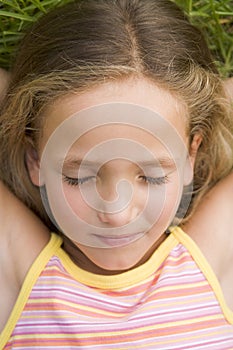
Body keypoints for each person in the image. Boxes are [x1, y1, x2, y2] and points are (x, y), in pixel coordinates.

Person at [0, 0, 233, 348]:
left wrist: (205, 98)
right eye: (78, 177)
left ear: (189, 155)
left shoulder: (212, 260)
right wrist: (17, 96)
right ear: (36, 159)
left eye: (152, 177)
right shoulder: (22, 275)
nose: (117, 214)